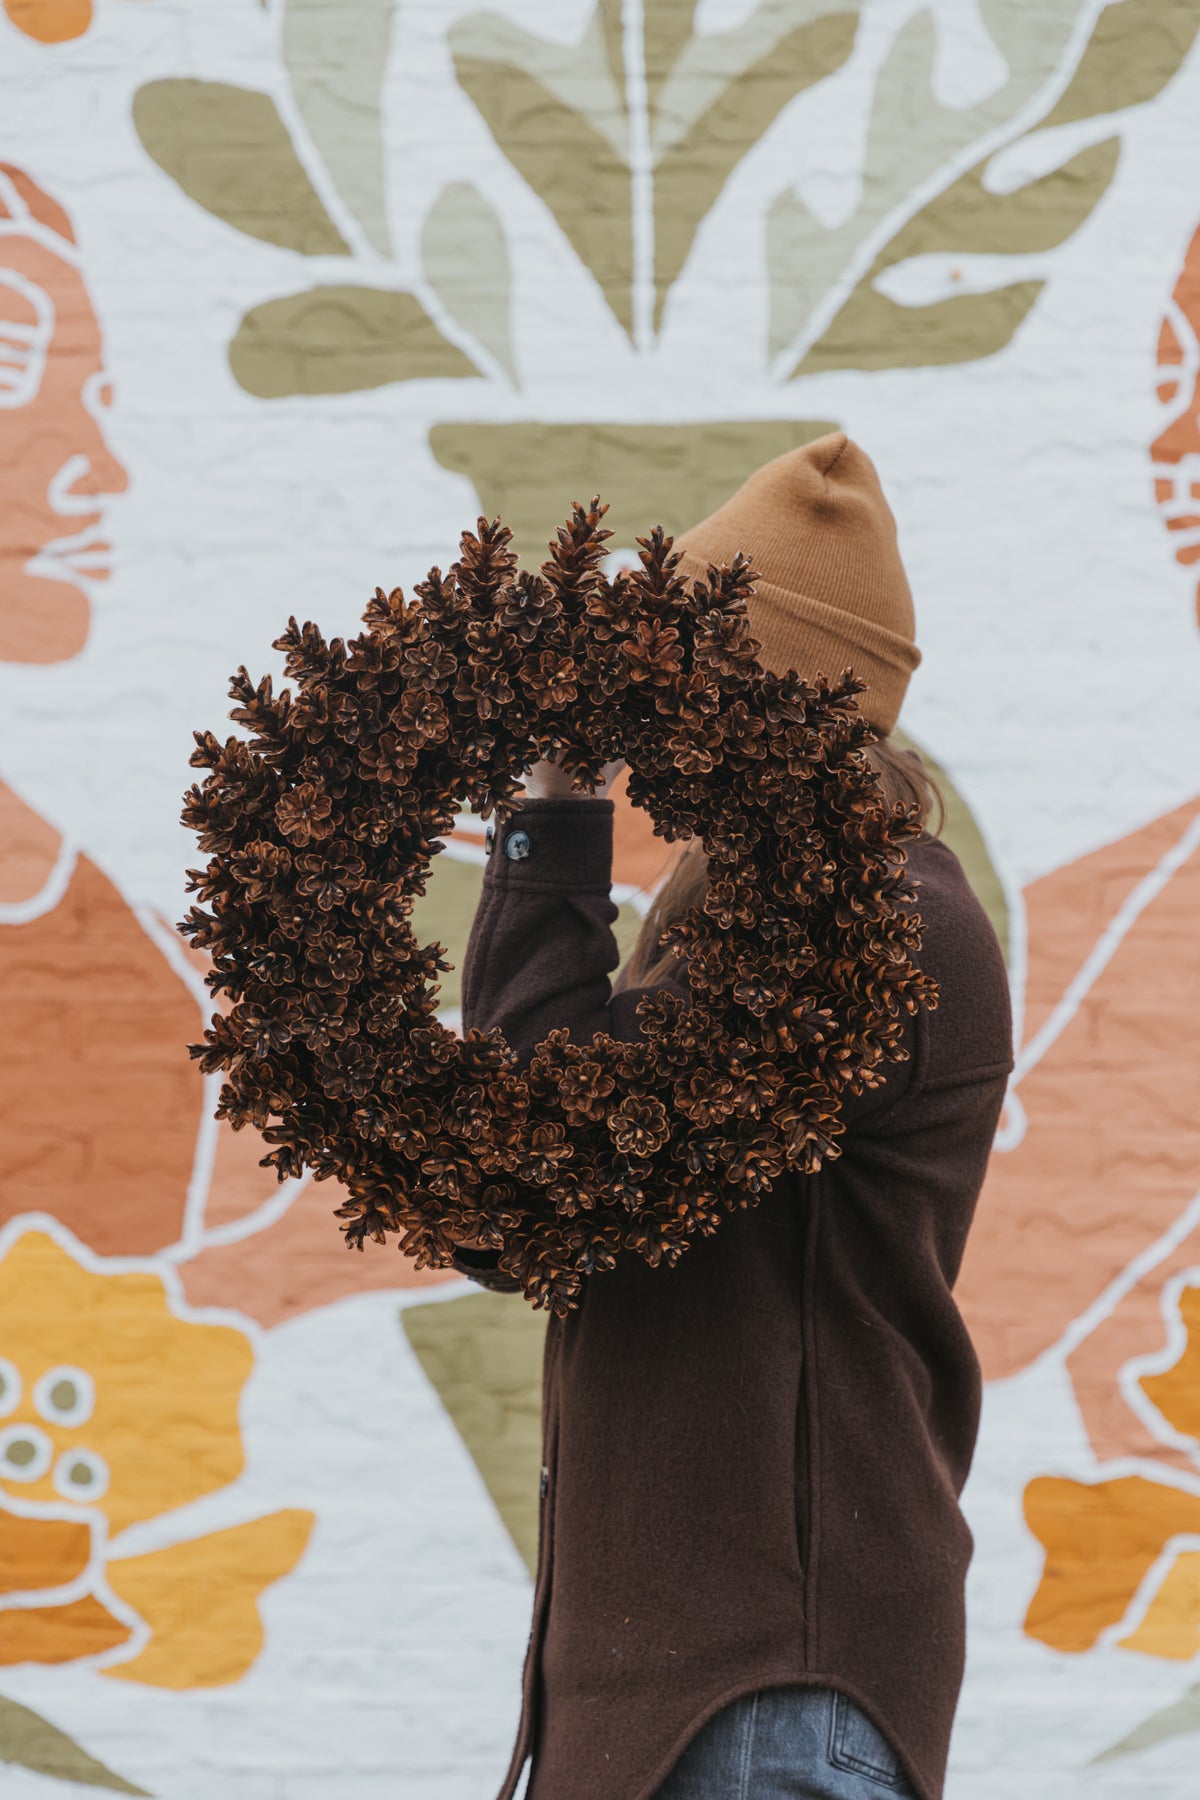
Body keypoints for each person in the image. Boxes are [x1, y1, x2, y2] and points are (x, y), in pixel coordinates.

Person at [450, 433, 1014, 1800]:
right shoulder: (746, 917)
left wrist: (558, 802)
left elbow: (544, 1145)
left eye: (679, 672)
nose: (648, 715)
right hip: (699, 1687)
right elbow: (511, 1200)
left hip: (760, 1689)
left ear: (771, 690)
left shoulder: (875, 930)